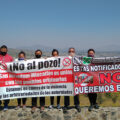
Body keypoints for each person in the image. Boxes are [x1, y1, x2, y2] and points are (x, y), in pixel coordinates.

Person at [64, 48, 81, 112]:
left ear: (74, 52)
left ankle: (77, 104)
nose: (71, 52)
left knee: (76, 91)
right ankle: (66, 105)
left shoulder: (77, 59)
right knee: (66, 92)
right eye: (70, 51)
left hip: (75, 77)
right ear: (68, 52)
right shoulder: (65, 59)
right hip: (67, 77)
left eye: (72, 51)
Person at [0, 45, 13, 111]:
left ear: (7, 50)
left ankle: (6, 104)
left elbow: (14, 66)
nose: (3, 51)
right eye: (2, 49)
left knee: (6, 92)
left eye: (5, 49)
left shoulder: (10, 58)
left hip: (7, 78)